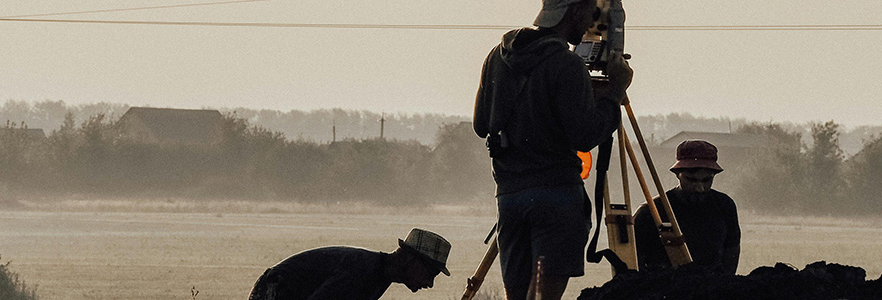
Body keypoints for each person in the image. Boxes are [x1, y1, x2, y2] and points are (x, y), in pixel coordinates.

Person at [472, 0, 633, 298]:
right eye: (588, 13)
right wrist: (614, 93)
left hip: (509, 197)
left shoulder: (497, 55)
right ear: (573, 11)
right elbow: (585, 136)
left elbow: (481, 125)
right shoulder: (567, 63)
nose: (590, 23)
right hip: (556, 198)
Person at [247, 228, 451, 300]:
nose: (430, 284)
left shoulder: (379, 276)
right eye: (430, 273)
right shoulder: (361, 272)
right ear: (409, 259)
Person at [633, 139, 741, 274]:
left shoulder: (725, 206)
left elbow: (731, 250)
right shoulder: (652, 212)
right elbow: (635, 259)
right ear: (677, 175)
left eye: (707, 180)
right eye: (691, 180)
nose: (700, 188)